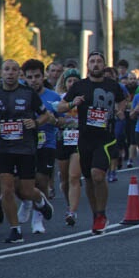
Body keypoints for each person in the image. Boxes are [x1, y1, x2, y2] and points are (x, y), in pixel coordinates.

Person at [61, 52, 128, 234]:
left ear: (104, 65)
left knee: (98, 175)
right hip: (84, 138)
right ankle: (96, 214)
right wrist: (71, 104)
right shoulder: (79, 86)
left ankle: (102, 214)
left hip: (105, 138)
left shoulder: (112, 85)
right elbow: (60, 106)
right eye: (92, 61)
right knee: (89, 179)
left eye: (99, 61)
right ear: (87, 65)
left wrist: (119, 110)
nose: (96, 64)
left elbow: (123, 100)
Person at [0, 59, 56, 243]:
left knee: (26, 191)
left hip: (25, 148)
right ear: (2, 73)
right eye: (6, 69)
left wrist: (35, 123)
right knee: (7, 189)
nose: (10, 73)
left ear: (18, 73)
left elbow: (46, 115)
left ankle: (41, 201)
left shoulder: (28, 93)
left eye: (13, 70)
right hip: (2, 147)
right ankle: (15, 230)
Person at [21, 59, 61, 234]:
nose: (33, 80)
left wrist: (55, 119)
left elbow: (63, 120)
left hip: (47, 142)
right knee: (20, 182)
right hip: (23, 143)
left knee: (42, 179)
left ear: (43, 76)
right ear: (24, 78)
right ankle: (28, 200)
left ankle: (38, 219)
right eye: (29, 77)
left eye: (37, 76)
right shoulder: (20, 94)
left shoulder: (53, 96)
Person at [54, 68, 82, 226]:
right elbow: (54, 117)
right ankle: (68, 203)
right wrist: (58, 121)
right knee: (64, 179)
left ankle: (72, 211)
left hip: (79, 140)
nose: (72, 84)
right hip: (62, 139)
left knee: (74, 177)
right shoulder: (59, 98)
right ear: (65, 83)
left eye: (75, 81)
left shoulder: (84, 98)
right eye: (69, 81)